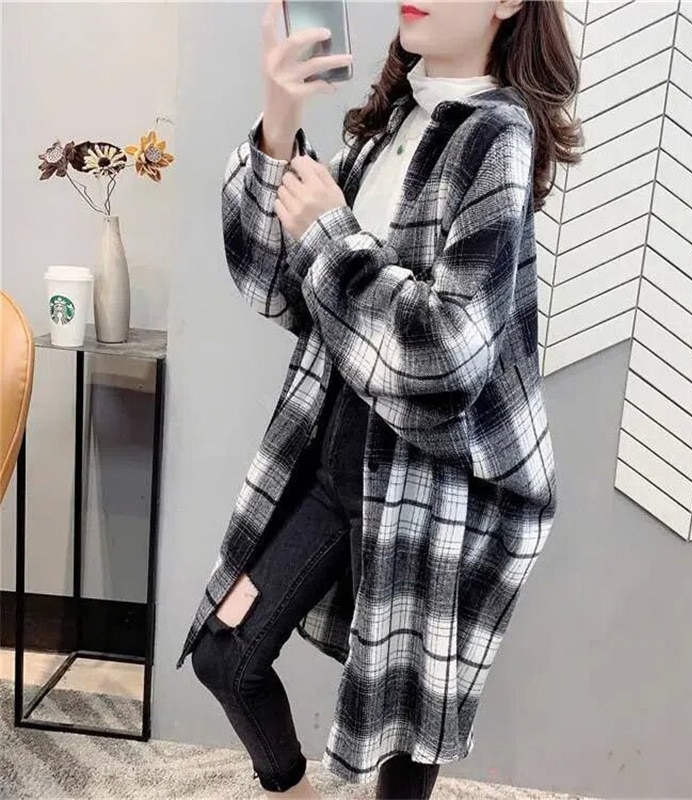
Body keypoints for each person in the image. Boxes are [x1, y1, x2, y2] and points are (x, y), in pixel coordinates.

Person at [180, 1, 583, 797]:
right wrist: (278, 121)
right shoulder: (390, 124)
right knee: (227, 653)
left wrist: (331, 234)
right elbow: (277, 288)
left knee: (403, 729)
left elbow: (447, 359)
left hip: (436, 490)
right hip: (336, 458)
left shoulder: (494, 138)